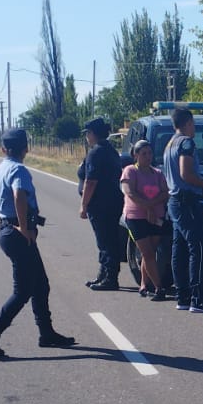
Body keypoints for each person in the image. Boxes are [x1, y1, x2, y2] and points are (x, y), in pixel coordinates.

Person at [0, 128, 76, 359]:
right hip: (18, 233)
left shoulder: (1, 168)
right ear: (26, 148)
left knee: (40, 284)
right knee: (23, 291)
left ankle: (46, 333)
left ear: (3, 149)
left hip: (7, 230)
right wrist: (22, 226)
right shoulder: (18, 169)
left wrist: (5, 221)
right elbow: (19, 195)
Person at [163, 108, 203, 314]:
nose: (194, 127)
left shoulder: (170, 143)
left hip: (175, 200)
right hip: (186, 200)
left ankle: (183, 296)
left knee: (178, 249)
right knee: (198, 247)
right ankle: (198, 299)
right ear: (188, 123)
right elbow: (186, 174)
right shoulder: (186, 143)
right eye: (194, 123)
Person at [78, 116, 126, 291]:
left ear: (92, 133)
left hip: (100, 204)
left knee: (105, 241)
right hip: (112, 201)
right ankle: (104, 274)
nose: (86, 137)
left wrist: (84, 205)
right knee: (107, 239)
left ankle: (110, 277)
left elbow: (91, 181)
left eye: (87, 133)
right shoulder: (109, 150)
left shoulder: (96, 152)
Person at [120, 139, 172, 300]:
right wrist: (148, 207)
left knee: (149, 253)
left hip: (156, 217)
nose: (148, 156)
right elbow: (130, 192)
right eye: (144, 154)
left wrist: (152, 206)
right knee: (147, 253)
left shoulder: (157, 173)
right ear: (136, 155)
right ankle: (158, 287)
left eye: (150, 153)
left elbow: (165, 192)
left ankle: (143, 284)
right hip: (136, 217)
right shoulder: (130, 171)